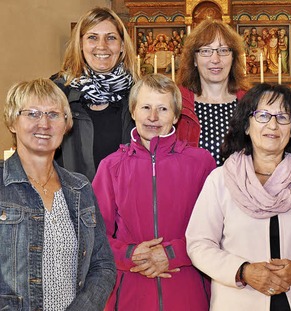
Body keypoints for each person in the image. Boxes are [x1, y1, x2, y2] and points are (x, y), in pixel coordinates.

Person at [186, 83, 291, 311]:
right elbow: (199, 243)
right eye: (262, 115)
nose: (273, 124)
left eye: (282, 117)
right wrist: (243, 271)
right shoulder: (220, 180)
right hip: (238, 302)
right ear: (246, 125)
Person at [91, 74, 215, 310]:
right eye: (146, 107)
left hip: (188, 289)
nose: (153, 117)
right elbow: (95, 236)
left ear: (176, 116)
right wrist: (131, 254)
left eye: (163, 109)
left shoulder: (201, 163)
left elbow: (217, 230)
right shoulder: (111, 166)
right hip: (130, 290)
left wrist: (173, 253)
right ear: (133, 111)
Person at [0, 78, 115, 310]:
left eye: (54, 115)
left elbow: (102, 265)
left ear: (66, 124)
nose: (44, 123)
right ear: (13, 122)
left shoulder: (80, 188)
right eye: (32, 113)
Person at [52, 7, 139, 181]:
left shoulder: (138, 93)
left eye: (111, 38)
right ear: (80, 44)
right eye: (92, 37)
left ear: (122, 46)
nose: (102, 46)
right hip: (72, 201)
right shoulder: (57, 91)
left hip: (123, 201)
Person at [176, 19, 250, 166]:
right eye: (205, 51)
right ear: (194, 60)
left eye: (223, 50)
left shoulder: (251, 103)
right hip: (194, 189)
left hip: (240, 188)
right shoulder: (176, 103)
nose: (215, 59)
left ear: (233, 57)